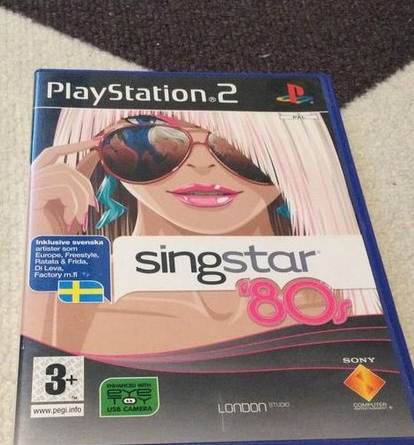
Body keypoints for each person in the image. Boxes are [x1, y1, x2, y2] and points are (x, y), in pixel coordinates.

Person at [22, 110, 380, 354]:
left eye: (236, 146)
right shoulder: (84, 289)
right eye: (150, 142)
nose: (201, 163)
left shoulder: (344, 286)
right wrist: (43, 240)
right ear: (98, 151)